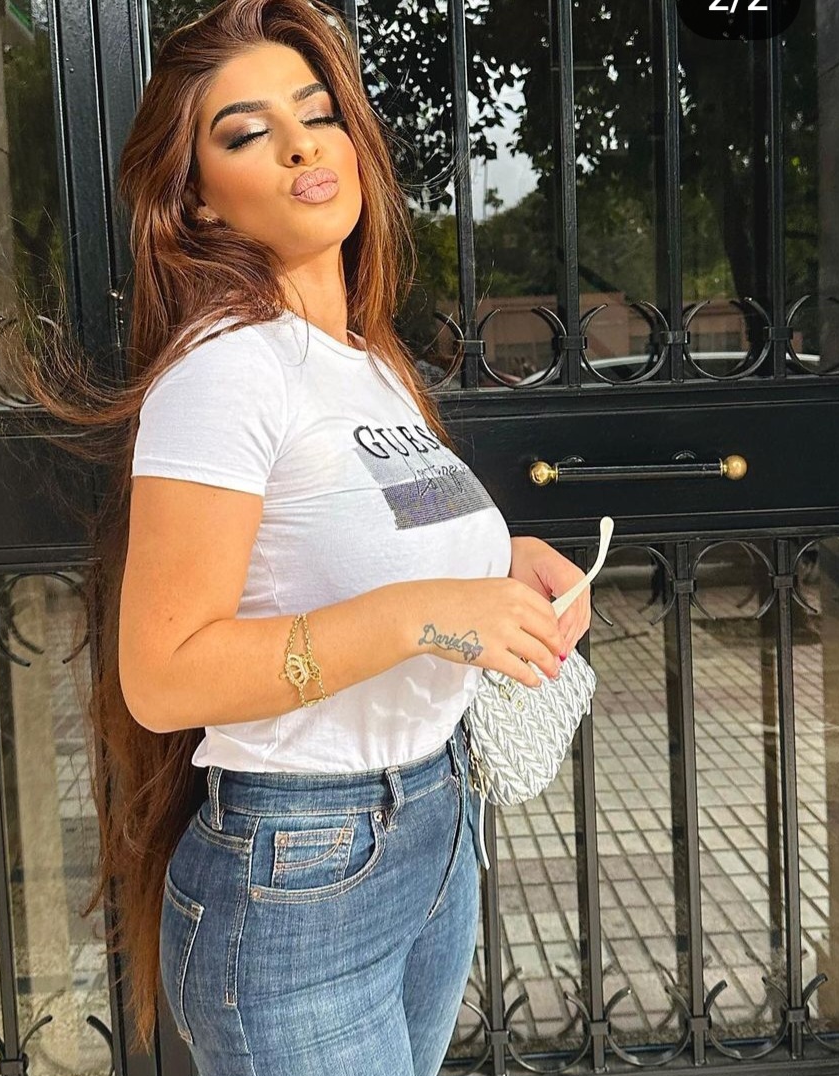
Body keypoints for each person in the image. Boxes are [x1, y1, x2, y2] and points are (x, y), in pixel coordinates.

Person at [42, 0, 592, 1071]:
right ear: (195, 198)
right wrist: (426, 614)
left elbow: (375, 537)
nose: (300, 144)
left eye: (317, 113)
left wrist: (501, 563)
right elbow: (163, 674)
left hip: (433, 826)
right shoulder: (223, 372)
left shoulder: (368, 363)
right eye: (248, 132)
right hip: (299, 872)